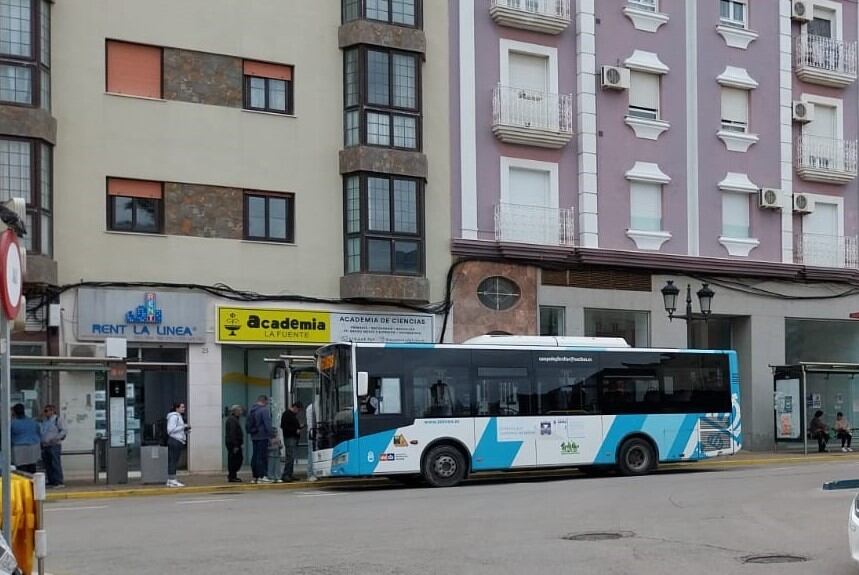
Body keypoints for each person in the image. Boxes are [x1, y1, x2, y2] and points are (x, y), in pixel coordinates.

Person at [247, 395, 274, 484]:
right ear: (264, 401)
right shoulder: (264, 410)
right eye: (267, 402)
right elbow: (267, 424)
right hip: (263, 436)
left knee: (255, 456)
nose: (267, 403)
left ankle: (255, 476)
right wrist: (271, 435)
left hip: (254, 436)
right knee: (262, 456)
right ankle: (262, 476)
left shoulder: (251, 410)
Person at [40, 404, 67, 488]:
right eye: (45, 411)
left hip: (54, 444)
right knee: (48, 464)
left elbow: (63, 431)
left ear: (52, 411)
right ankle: (51, 480)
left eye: (46, 411)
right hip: (45, 445)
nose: (45, 413)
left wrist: (55, 438)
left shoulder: (57, 420)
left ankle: (59, 481)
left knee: (55, 463)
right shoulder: (45, 421)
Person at [166, 402, 190, 487]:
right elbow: (170, 430)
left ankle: (171, 479)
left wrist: (185, 430)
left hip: (177, 440)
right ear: (177, 408)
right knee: (173, 461)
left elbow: (176, 430)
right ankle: (172, 480)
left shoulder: (178, 417)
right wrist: (183, 426)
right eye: (182, 407)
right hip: (175, 441)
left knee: (174, 460)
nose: (184, 409)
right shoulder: (174, 417)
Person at [10, 404, 40, 473]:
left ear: (14, 412)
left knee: (21, 470)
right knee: (32, 468)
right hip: (33, 447)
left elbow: (9, 437)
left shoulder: (13, 423)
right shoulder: (33, 422)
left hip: (19, 448)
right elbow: (38, 433)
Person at [280, 401, 304, 482]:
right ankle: (286, 474)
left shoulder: (292, 415)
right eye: (298, 410)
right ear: (295, 407)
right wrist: (295, 430)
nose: (298, 412)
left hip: (293, 437)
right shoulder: (287, 414)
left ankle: (290, 474)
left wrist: (299, 427)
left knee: (292, 456)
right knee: (290, 457)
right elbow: (284, 426)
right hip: (289, 438)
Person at [224, 405, 244, 483]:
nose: (241, 412)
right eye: (239, 410)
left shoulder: (234, 419)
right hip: (233, 444)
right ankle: (232, 476)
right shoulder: (232, 420)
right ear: (235, 411)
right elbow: (232, 433)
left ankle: (232, 475)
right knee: (235, 460)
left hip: (234, 443)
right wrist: (235, 445)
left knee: (235, 459)